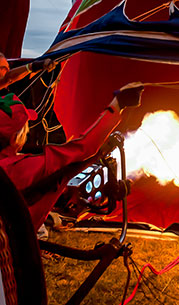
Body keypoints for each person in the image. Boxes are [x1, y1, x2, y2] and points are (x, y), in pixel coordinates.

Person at [0, 82, 144, 230]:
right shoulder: (23, 167)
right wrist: (117, 104)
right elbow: (83, 148)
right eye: (24, 129)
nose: (27, 133)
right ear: (13, 139)